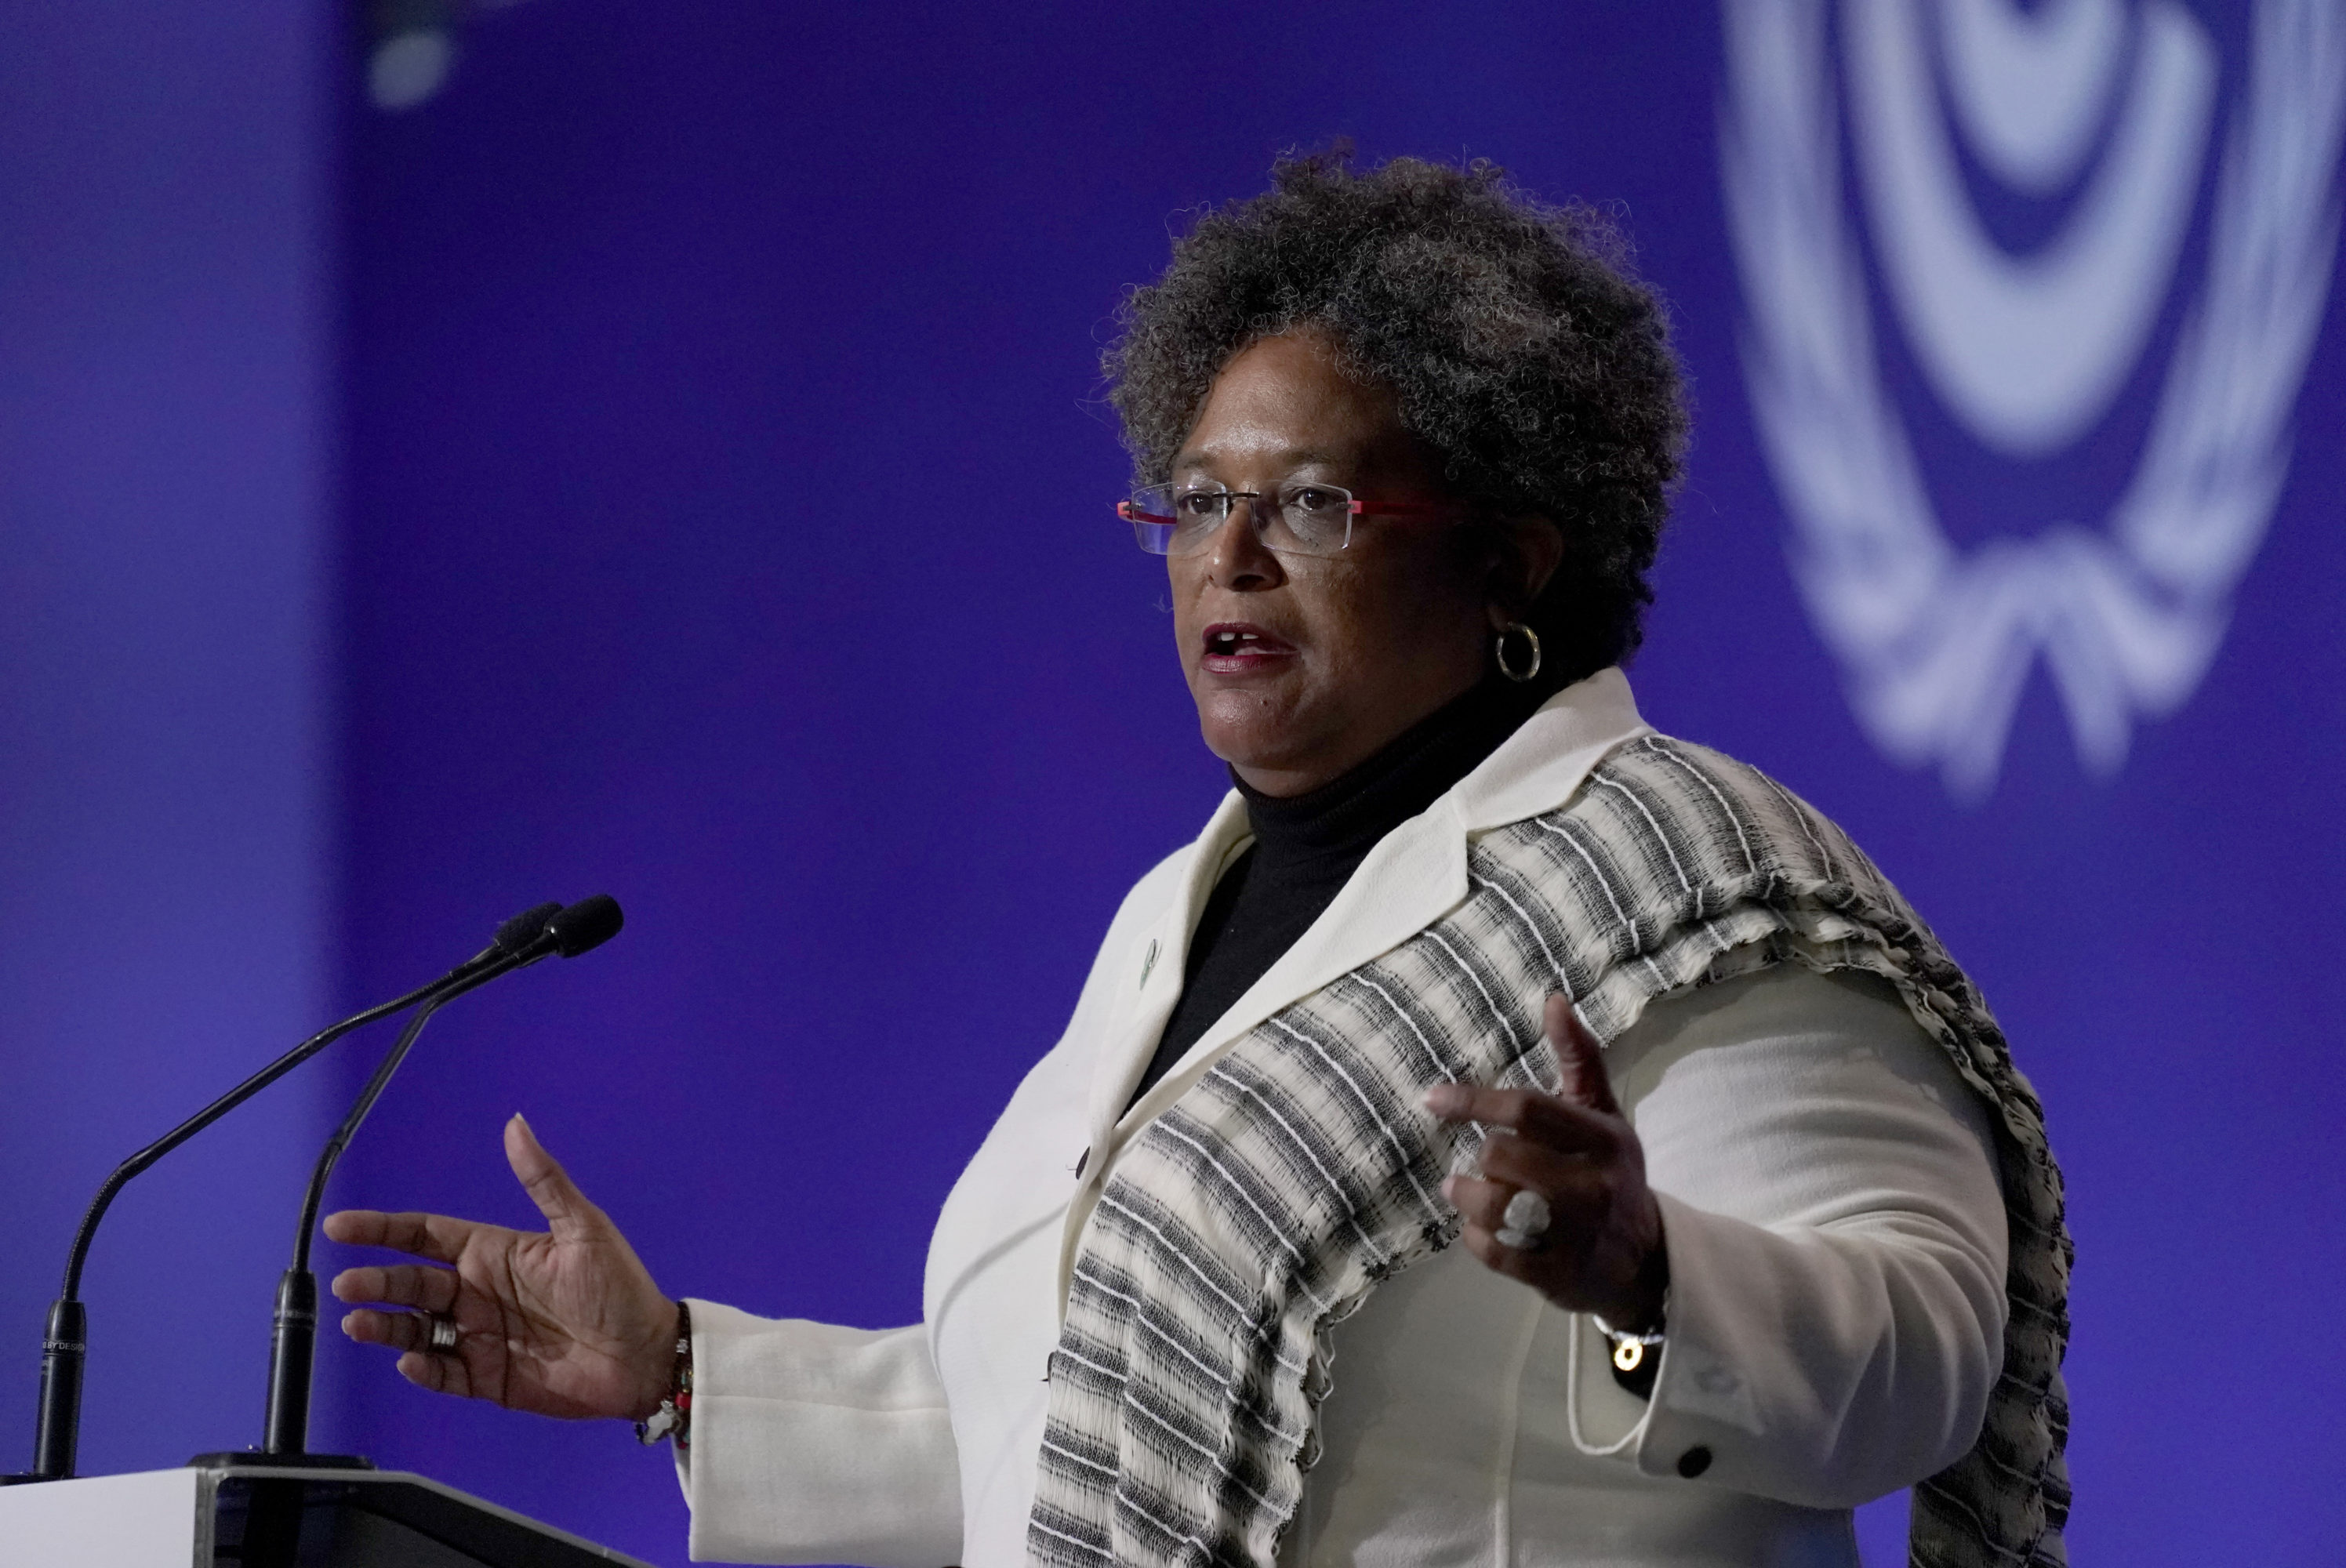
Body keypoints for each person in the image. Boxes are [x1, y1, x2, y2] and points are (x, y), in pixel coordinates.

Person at [325, 153, 2071, 1568]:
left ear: (1514, 560)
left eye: (1311, 503)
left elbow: (1926, 1356)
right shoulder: (1184, 910)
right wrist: (678, 1374)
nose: (1228, 555)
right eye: (1194, 500)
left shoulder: (1692, 877)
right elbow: (1101, 1422)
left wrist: (1649, 1273)